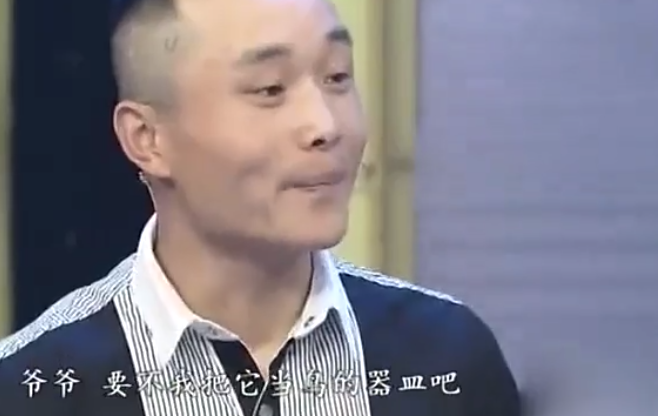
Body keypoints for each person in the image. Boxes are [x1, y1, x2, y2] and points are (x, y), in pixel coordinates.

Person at [0, 0, 520, 415]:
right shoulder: (33, 386)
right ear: (147, 138)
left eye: (337, 77)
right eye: (271, 89)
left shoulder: (447, 359)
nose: (326, 126)